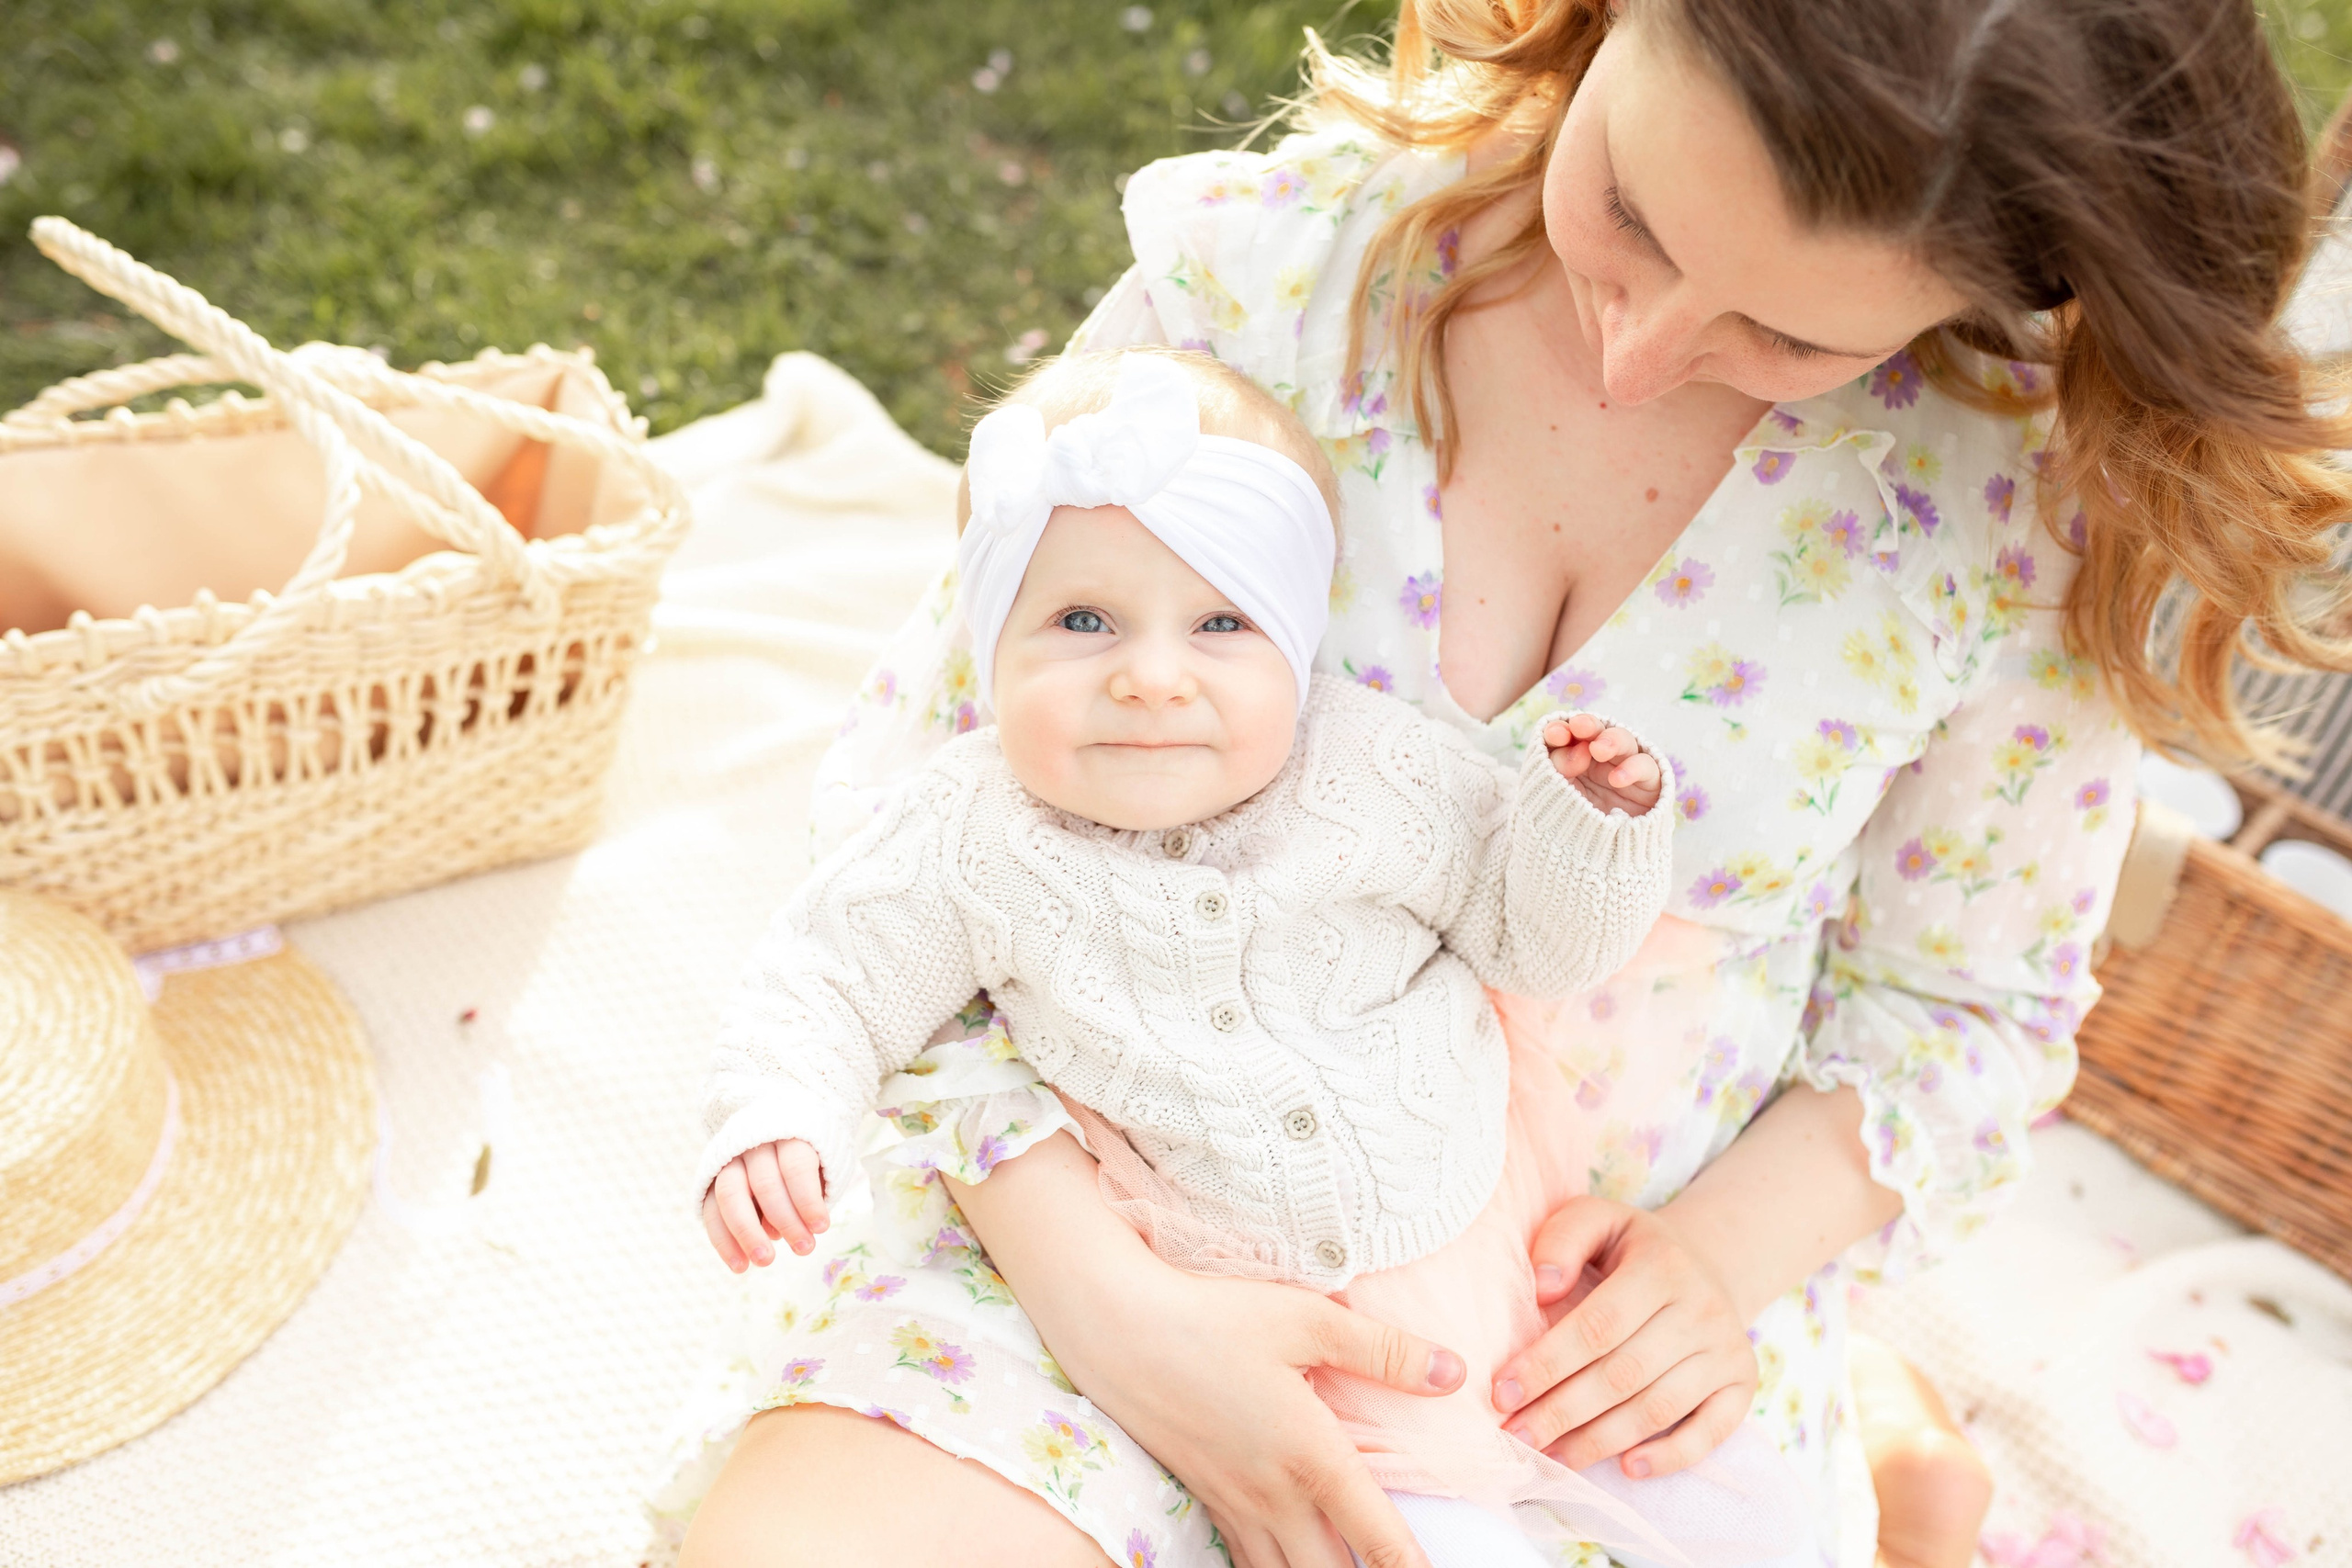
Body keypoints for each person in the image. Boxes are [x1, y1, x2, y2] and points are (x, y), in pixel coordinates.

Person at [653, 1, 2351, 1564]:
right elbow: (912, 816)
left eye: (1783, 332)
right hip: (1079, 1215)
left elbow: (1961, 1013)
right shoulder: (1273, 280)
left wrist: (1718, 1268)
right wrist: (1113, 1309)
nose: (1638, 351)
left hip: (1570, 1366)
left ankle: (1877, 1445)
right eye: (1632, 211)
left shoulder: (2011, 520)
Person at [695, 345, 1830, 1565]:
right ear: (990, 641)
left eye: (1220, 624)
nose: (1150, 677)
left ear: (1293, 642)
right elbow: (829, 977)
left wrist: (1588, 826)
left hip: (1475, 1263)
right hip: (1198, 1293)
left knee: (1748, 1519)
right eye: (1081, 621)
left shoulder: (1373, 767)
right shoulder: (970, 829)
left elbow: (1535, 945)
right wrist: (780, 1113)